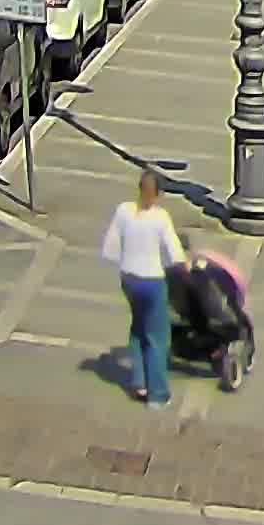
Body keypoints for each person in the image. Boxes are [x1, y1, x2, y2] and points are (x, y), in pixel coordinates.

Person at [101, 170, 189, 405]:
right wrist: (184, 267)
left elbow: (109, 249)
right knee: (157, 338)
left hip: (129, 279)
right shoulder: (160, 217)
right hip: (152, 282)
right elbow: (174, 252)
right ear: (158, 194)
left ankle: (139, 383)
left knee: (138, 329)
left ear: (139, 189)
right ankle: (158, 394)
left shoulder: (124, 211)